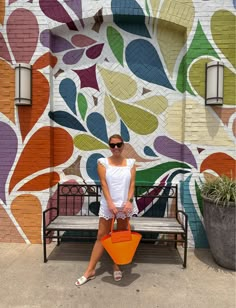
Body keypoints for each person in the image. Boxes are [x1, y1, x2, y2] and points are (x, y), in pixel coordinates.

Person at [75, 134, 138, 286]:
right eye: (112, 145)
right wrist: (110, 203)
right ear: (109, 146)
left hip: (125, 206)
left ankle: (116, 265)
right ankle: (90, 270)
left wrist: (129, 202)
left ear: (123, 145)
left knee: (119, 235)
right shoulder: (103, 163)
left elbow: (132, 184)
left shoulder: (130, 163)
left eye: (118, 144)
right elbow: (103, 184)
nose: (116, 148)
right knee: (101, 235)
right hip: (108, 204)